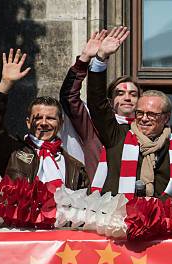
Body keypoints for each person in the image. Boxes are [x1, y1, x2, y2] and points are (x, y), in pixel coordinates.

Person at [87, 27, 172, 199]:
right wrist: (100, 58)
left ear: (166, 117)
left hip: (162, 221)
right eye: (139, 113)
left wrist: (159, 210)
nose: (144, 118)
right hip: (117, 220)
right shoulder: (118, 136)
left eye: (152, 114)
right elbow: (97, 104)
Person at [0, 49, 89, 190]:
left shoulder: (75, 167)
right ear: (28, 122)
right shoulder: (12, 152)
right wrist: (4, 85)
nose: (43, 123)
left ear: (61, 123)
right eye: (38, 118)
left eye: (50, 118)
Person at [60, 29, 141, 179]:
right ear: (110, 101)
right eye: (120, 93)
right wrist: (84, 58)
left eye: (133, 94)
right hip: (97, 198)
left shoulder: (147, 131)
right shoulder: (92, 128)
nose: (127, 98)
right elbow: (69, 97)